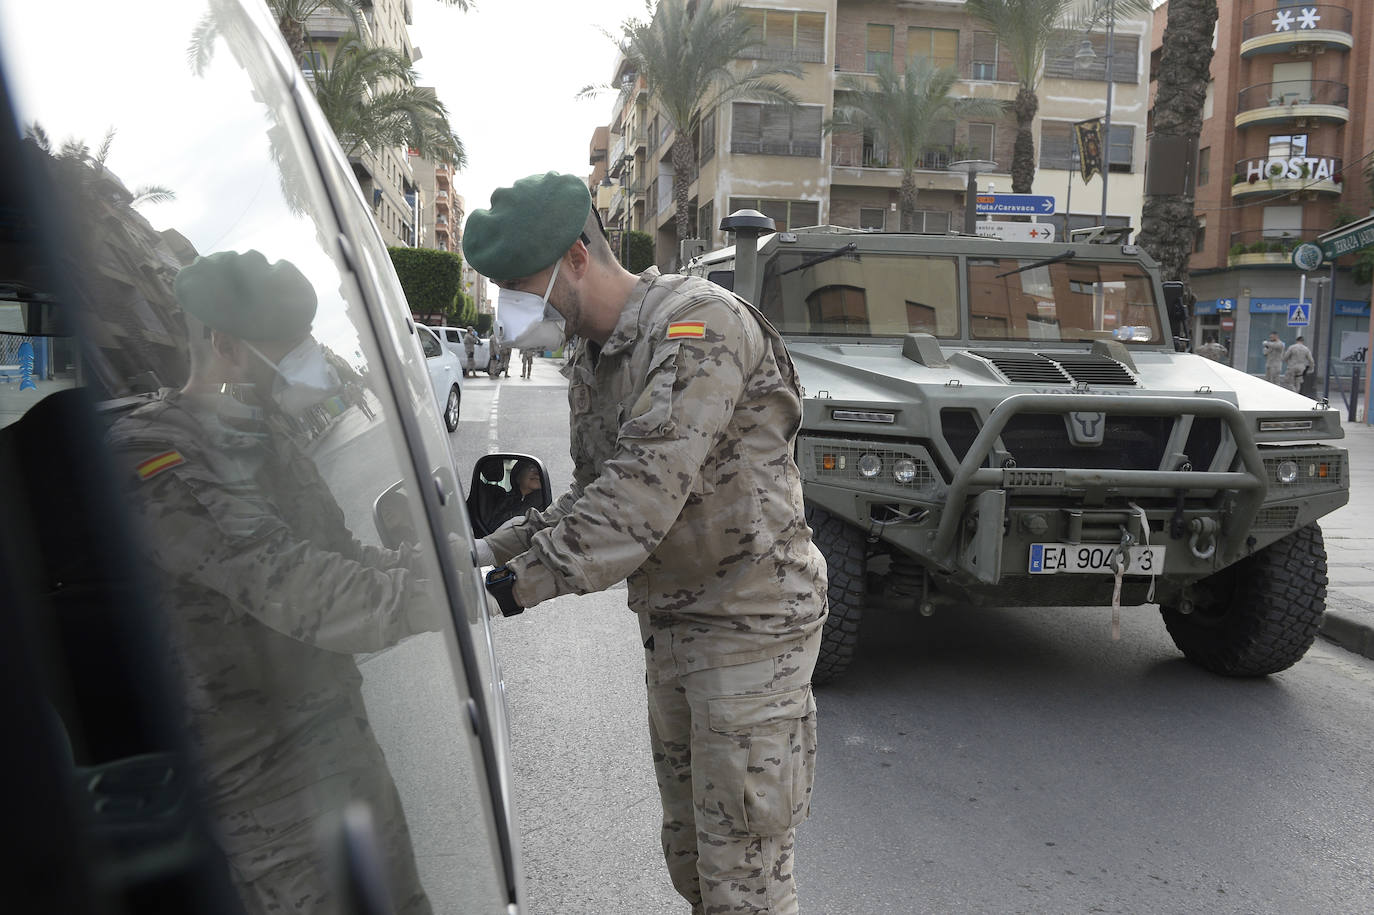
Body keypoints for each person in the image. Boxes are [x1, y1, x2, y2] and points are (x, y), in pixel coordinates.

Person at [463, 172, 828, 915]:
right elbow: (590, 494)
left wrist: (508, 590)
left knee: (745, 884)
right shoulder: (596, 357)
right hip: (676, 629)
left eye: (517, 285)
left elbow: (637, 500)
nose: (510, 308)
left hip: (751, 633)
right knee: (694, 861)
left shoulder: (697, 327)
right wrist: (477, 555)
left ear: (574, 256)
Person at [105, 250, 435, 914]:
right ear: (223, 344)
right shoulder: (157, 459)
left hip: (341, 740)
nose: (310, 358)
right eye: (289, 345)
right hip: (267, 787)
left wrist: (445, 565)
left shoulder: (266, 438)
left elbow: (340, 555)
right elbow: (294, 582)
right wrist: (432, 601)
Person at [485, 458, 544, 530]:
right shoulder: (501, 499)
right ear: (518, 475)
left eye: (539, 469)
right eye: (532, 468)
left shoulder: (545, 502)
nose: (537, 473)